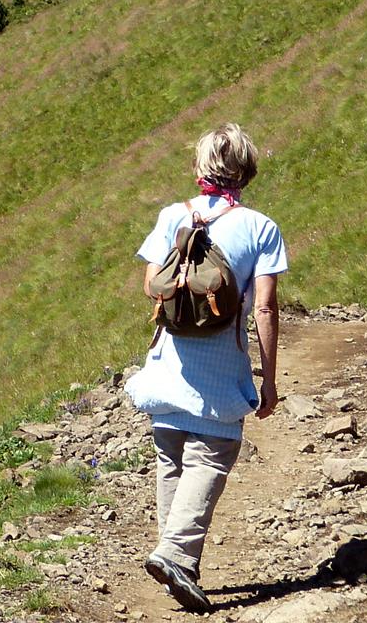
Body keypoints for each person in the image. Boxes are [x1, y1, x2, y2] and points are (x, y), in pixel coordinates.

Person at [127, 125, 288, 612]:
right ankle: (175, 554)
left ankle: (178, 559)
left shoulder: (171, 216)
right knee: (212, 456)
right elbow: (264, 309)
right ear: (247, 170)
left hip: (167, 366)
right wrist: (269, 379)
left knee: (171, 461)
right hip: (220, 376)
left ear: (200, 169)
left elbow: (151, 285)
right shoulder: (261, 228)